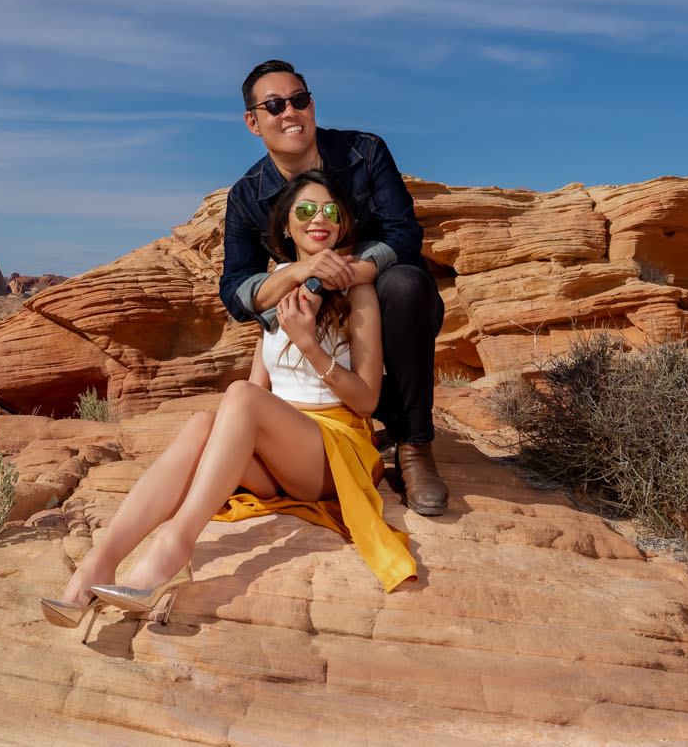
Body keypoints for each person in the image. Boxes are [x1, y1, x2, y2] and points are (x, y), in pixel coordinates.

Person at [41, 169, 415, 637]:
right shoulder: (275, 286)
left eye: (330, 211)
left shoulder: (358, 290)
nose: (318, 218)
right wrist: (220, 437)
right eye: (305, 210)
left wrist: (309, 344)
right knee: (203, 422)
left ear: (343, 224)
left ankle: (173, 550)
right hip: (282, 449)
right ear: (285, 227)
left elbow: (367, 401)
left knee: (238, 397)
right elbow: (258, 389)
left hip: (335, 450)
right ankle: (99, 564)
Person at [218, 59, 449, 515]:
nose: (291, 113)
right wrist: (296, 276)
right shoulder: (245, 196)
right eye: (275, 105)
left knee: (405, 285)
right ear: (253, 121)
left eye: (299, 100)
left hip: (375, 294)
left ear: (312, 105)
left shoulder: (365, 153)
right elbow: (235, 289)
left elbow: (404, 236)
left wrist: (355, 271)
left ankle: (414, 446)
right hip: (313, 307)